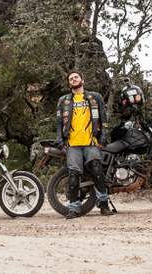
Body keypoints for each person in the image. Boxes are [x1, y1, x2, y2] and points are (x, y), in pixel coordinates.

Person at [55, 71, 113, 218]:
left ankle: (104, 205)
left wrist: (103, 137)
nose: (73, 79)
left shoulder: (95, 97)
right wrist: (60, 141)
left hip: (91, 142)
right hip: (72, 144)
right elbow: (59, 123)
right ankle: (74, 208)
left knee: (97, 172)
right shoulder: (64, 100)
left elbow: (103, 118)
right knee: (73, 176)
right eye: (71, 79)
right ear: (69, 83)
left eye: (76, 77)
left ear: (82, 80)